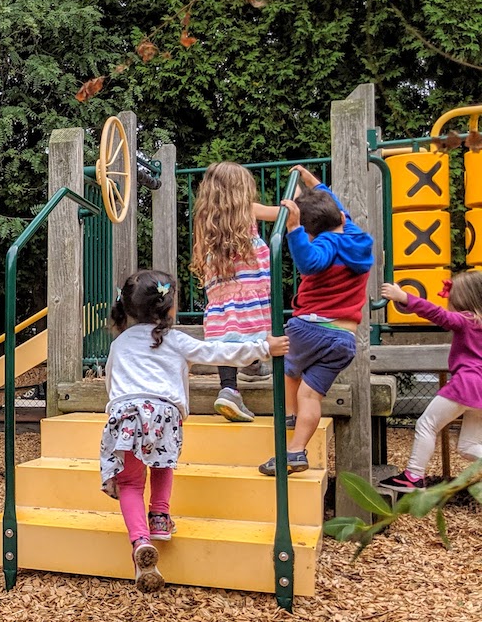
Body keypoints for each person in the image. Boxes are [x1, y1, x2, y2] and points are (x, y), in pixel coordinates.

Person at [103, 269, 289, 592]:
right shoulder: (174, 340)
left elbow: (111, 383)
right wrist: (263, 347)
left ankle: (140, 543)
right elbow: (219, 352)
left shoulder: (119, 344)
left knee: (131, 483)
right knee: (163, 462)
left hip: (126, 413)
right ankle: (160, 516)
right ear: (168, 308)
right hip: (164, 414)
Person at [257, 165, 374, 476]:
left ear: (312, 231)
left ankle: (288, 416)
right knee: (311, 393)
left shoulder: (323, 245)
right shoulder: (356, 237)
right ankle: (295, 451)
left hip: (311, 328)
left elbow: (309, 263)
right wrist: (312, 182)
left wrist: (294, 229)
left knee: (286, 367)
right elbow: (338, 208)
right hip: (344, 339)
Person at [192, 162, 283, 423]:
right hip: (251, 292)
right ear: (241, 190)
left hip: (221, 296)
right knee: (253, 329)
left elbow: (201, 253)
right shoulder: (250, 212)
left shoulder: (205, 220)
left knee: (227, 337)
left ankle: (230, 387)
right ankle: (253, 366)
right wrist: (296, 199)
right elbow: (282, 214)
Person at [377, 273, 482, 491]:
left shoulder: (466, 320)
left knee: (426, 424)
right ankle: (413, 477)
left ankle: (413, 476)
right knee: (469, 446)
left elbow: (438, 314)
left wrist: (403, 296)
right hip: (479, 389)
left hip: (466, 384)